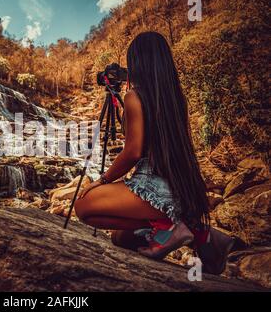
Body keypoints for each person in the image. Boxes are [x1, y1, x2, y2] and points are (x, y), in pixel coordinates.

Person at [74, 31, 234, 275]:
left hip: (153, 189)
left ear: (138, 61)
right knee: (122, 239)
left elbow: (133, 151)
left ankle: (170, 228)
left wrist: (102, 180)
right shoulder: (174, 99)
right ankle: (201, 235)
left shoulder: (134, 96)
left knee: (84, 206)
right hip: (177, 189)